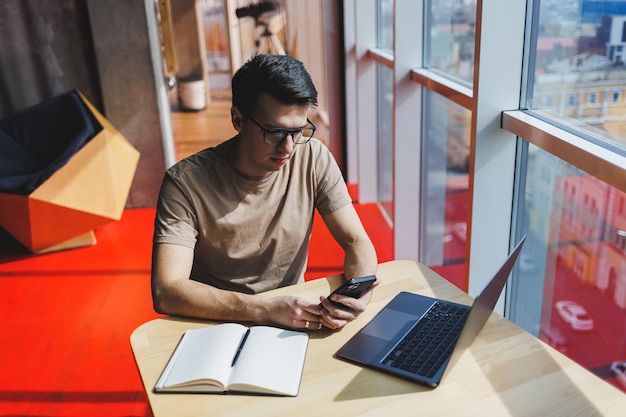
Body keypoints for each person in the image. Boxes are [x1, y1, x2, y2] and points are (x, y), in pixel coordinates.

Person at [151, 54, 378, 331]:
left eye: (298, 131)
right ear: (238, 118)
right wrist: (263, 309)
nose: (289, 148)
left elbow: (357, 241)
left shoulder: (313, 157)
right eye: (275, 132)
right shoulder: (185, 183)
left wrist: (358, 293)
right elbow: (167, 289)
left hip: (293, 317)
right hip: (216, 325)